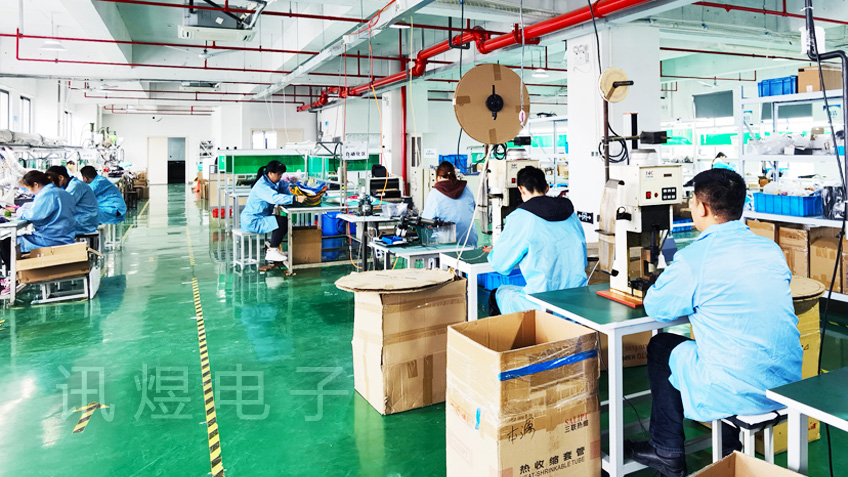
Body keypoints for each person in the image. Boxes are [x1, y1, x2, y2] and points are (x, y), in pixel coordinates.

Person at [625, 169, 802, 477]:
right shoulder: (770, 249)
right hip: (787, 381)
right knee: (726, 350)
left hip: (736, 388)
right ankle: (729, 450)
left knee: (662, 345)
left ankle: (666, 449)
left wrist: (659, 283)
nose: (690, 206)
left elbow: (657, 307)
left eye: (692, 200)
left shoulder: (696, 258)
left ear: (702, 207)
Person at [486, 166, 587, 315]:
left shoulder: (521, 217)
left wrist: (496, 252)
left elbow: (500, 264)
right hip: (578, 300)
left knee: (497, 294)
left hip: (543, 303)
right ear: (547, 187)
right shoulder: (571, 214)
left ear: (521, 189)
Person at [0, 171, 76, 292]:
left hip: (50, 239)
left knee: (6, 243)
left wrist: (20, 211)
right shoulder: (62, 192)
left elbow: (34, 215)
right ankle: (16, 275)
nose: (30, 192)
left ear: (36, 184)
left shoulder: (47, 194)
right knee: (13, 241)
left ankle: (14, 278)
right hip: (64, 235)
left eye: (28, 188)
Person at [240, 160, 305, 263]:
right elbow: (274, 198)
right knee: (282, 222)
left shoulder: (274, 182)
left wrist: (297, 190)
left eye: (281, 174)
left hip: (262, 217)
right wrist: (294, 198)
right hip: (253, 220)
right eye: (279, 174)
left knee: (283, 221)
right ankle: (272, 251)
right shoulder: (262, 186)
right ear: (270, 173)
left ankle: (275, 249)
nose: (280, 177)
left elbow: (284, 188)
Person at [421, 162, 478, 248]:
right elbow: (472, 209)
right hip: (469, 240)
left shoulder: (434, 193)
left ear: (438, 177)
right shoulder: (466, 188)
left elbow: (425, 220)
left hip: (447, 244)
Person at [47, 166, 99, 236]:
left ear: (60, 177)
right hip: (79, 220)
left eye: (52, 182)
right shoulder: (67, 186)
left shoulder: (76, 185)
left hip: (84, 223)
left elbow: (64, 205)